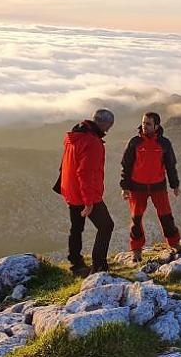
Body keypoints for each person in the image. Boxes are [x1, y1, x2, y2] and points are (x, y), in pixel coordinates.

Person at [56, 108, 115, 276]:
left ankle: (76, 265)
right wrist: (89, 202)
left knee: (76, 228)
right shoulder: (92, 142)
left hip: (71, 190)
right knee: (106, 226)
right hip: (85, 194)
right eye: (109, 125)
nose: (109, 129)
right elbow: (86, 173)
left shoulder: (74, 137)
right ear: (102, 123)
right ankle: (99, 267)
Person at [120, 112, 181, 262]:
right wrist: (125, 187)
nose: (144, 126)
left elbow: (170, 166)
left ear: (156, 126)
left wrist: (175, 185)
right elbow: (126, 165)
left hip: (158, 187)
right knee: (136, 219)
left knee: (166, 216)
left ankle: (174, 243)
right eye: (143, 123)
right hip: (137, 187)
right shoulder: (134, 142)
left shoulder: (164, 144)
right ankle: (136, 250)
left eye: (148, 124)